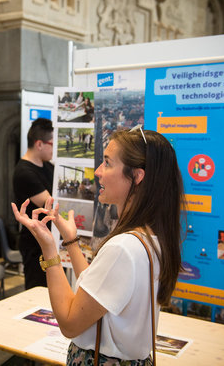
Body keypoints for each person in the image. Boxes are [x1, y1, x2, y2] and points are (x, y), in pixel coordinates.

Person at [12, 128, 184, 365]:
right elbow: (97, 291)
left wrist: (49, 250)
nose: (98, 172)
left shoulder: (124, 247)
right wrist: (71, 240)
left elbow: (70, 323)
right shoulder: (150, 238)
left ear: (137, 176)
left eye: (107, 163)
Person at [13, 118, 54, 289]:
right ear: (39, 144)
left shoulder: (47, 166)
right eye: (51, 143)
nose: (54, 148)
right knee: (37, 292)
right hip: (34, 245)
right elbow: (50, 204)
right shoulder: (24, 172)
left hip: (47, 240)